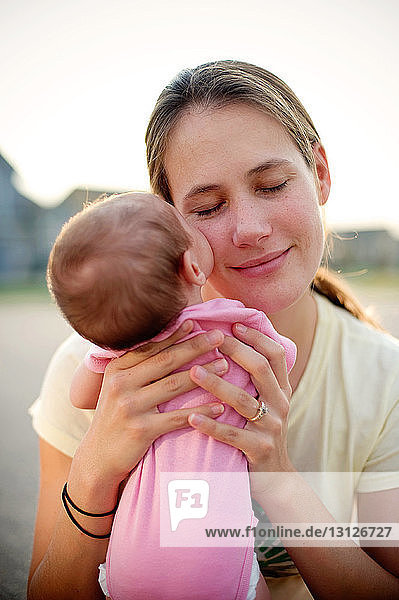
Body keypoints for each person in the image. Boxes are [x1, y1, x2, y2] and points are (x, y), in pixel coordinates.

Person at [27, 60, 399, 600]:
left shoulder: (384, 380)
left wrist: (279, 478)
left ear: (319, 171)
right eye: (208, 206)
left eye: (271, 185)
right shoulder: (96, 374)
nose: (250, 229)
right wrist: (94, 472)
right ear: (171, 220)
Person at [46, 190, 296, 599]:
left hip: (131, 558)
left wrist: (106, 351)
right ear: (193, 266)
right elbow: (282, 357)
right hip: (216, 554)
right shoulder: (235, 322)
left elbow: (80, 395)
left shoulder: (120, 357)